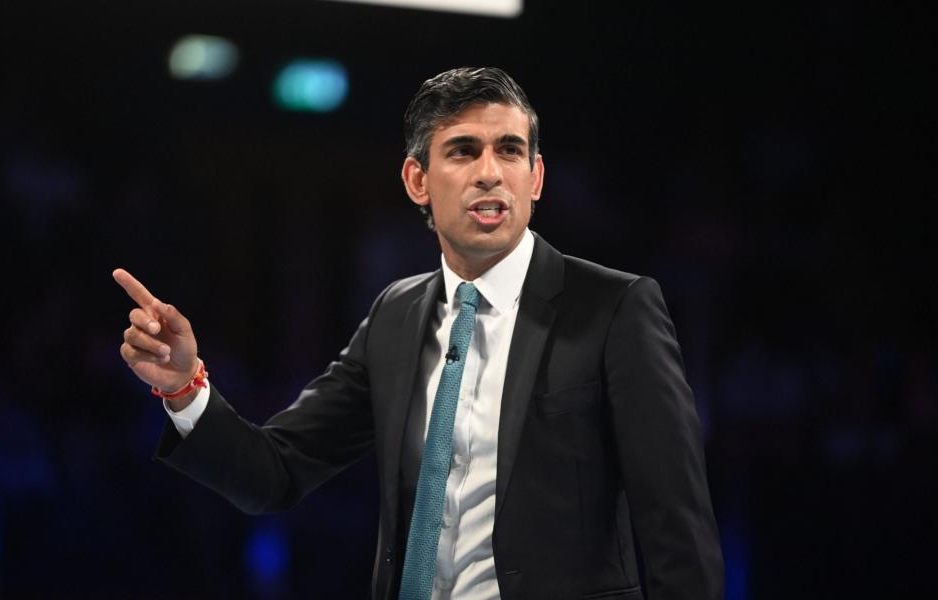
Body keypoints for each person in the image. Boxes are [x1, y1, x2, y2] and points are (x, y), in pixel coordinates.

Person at [114, 67, 724, 600]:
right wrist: (184, 390)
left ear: (535, 179)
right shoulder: (396, 316)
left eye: (510, 151)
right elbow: (274, 473)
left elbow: (679, 535)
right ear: (417, 181)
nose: (491, 173)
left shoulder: (616, 308)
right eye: (463, 151)